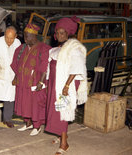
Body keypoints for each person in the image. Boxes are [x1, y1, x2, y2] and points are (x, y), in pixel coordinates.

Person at [45, 16, 88, 154]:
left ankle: (64, 144)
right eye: (57, 32)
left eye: (62, 33)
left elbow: (77, 68)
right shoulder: (57, 48)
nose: (59, 35)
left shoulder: (74, 48)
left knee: (62, 112)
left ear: (68, 33)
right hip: (55, 86)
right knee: (56, 111)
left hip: (64, 88)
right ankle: (61, 134)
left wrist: (66, 86)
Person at [11, 24, 51, 136]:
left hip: (35, 83)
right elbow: (17, 63)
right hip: (22, 82)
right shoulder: (21, 48)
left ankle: (37, 126)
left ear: (34, 36)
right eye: (24, 36)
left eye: (28, 36)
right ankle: (27, 123)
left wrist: (41, 82)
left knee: (35, 105)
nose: (25, 39)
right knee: (24, 103)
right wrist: (15, 77)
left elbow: (45, 66)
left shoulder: (44, 49)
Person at [0, 26, 21, 131]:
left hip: (12, 75)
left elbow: (19, 60)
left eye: (11, 38)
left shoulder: (18, 43)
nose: (9, 40)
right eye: (7, 37)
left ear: (15, 36)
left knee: (10, 99)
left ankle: (8, 119)